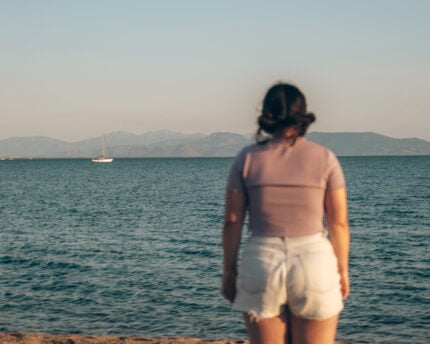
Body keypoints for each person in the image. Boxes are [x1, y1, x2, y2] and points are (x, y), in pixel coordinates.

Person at [222, 83, 350, 344]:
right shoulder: (325, 158)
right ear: (302, 115)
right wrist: (342, 270)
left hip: (262, 262)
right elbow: (338, 223)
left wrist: (229, 271)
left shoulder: (247, 159)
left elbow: (232, 221)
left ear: (267, 114)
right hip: (314, 261)